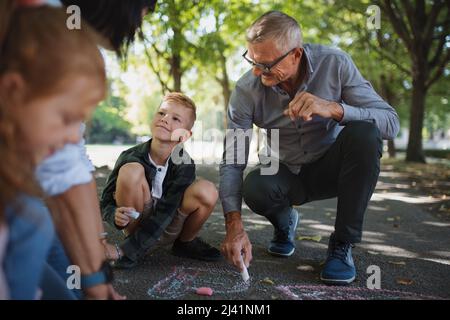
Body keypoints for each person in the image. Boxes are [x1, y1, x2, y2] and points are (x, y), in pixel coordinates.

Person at [219, 11, 400, 285]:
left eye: (267, 65)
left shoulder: (335, 64)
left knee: (366, 134)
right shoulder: (247, 90)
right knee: (255, 187)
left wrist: (335, 109)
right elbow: (233, 160)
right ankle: (285, 223)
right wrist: (233, 225)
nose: (257, 72)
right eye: (253, 61)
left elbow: (391, 123)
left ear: (296, 55)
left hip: (332, 168)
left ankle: (342, 245)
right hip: (284, 171)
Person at [28, 0, 157, 299]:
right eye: (143, 11)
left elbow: (71, 163)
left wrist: (95, 260)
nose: (139, 24)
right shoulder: (44, 33)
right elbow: (62, 173)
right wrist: (94, 277)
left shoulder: (74, 41)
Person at [0, 1, 107, 298]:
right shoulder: (26, 222)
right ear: (11, 90)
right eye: (67, 118)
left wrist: (95, 278)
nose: (75, 138)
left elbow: (67, 173)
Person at [101, 92, 222, 269]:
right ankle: (136, 244)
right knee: (130, 171)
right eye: (161, 113)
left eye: (175, 119)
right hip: (137, 222)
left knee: (207, 189)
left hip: (168, 225)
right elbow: (105, 201)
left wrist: (123, 251)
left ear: (185, 136)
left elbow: (167, 212)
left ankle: (185, 243)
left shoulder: (184, 165)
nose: (165, 119)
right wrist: (114, 215)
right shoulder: (129, 156)